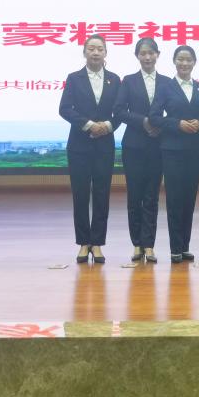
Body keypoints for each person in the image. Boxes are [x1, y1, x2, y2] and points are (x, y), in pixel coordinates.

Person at [58, 34, 122, 265]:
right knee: (81, 193)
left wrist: (107, 126)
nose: (95, 52)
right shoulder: (74, 78)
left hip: (104, 144)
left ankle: (97, 243)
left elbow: (120, 111)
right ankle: (83, 243)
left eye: (100, 49)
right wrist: (88, 125)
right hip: (79, 145)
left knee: (102, 193)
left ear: (106, 53)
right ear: (84, 52)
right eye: (91, 48)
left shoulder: (115, 80)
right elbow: (65, 109)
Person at [112, 37, 173, 264]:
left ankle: (149, 245)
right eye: (143, 53)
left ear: (158, 55)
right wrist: (144, 122)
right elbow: (119, 111)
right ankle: (137, 243)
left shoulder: (167, 82)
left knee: (151, 196)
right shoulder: (128, 81)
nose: (147, 57)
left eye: (151, 53)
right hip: (134, 146)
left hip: (159, 144)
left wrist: (160, 125)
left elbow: (174, 111)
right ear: (137, 56)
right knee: (134, 196)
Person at [149, 46, 199, 264]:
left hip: (194, 149)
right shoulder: (165, 87)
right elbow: (154, 117)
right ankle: (175, 248)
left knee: (190, 198)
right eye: (180, 59)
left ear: (194, 62)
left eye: (188, 59)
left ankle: (185, 246)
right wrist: (177, 124)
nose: (184, 63)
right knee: (174, 198)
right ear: (174, 61)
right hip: (172, 150)